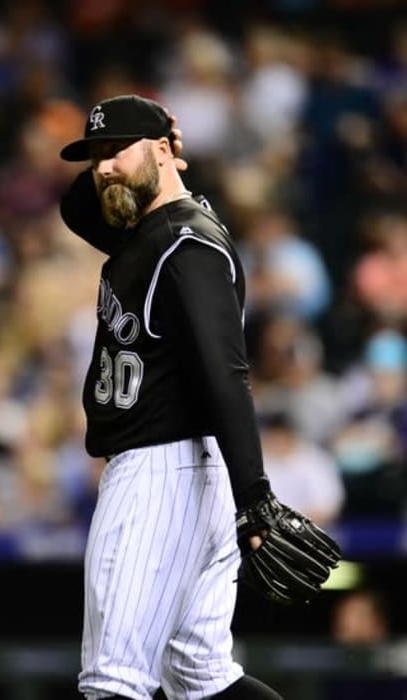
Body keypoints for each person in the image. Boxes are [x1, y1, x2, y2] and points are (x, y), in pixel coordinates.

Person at [59, 94, 327, 700]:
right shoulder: (148, 229)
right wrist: (141, 159)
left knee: (112, 681)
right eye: (94, 156)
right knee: (201, 678)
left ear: (161, 150)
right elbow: (74, 207)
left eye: (115, 152)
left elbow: (225, 374)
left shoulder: (186, 245)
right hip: (180, 473)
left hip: (160, 473)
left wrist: (255, 498)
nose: (102, 168)